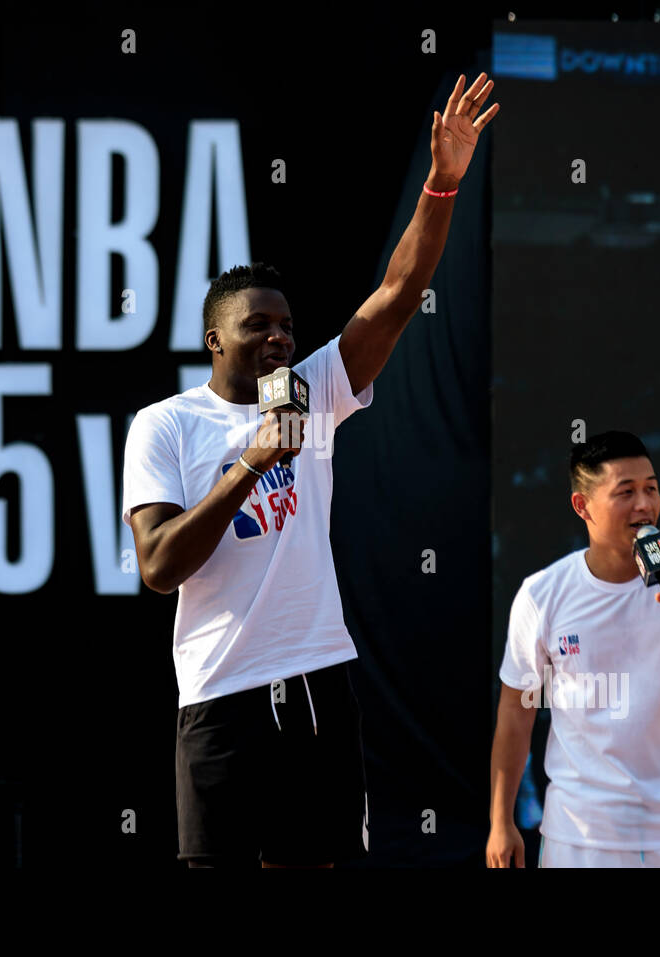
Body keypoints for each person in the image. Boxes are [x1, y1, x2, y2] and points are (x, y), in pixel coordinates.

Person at [121, 73, 500, 867]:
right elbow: (158, 567)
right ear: (214, 341)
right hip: (221, 691)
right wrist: (252, 461)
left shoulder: (310, 390)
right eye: (256, 325)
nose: (278, 339)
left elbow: (397, 295)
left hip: (319, 680)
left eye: (287, 326)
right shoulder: (167, 424)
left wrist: (442, 182)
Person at [487, 431, 660, 868]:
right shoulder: (543, 594)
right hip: (581, 840)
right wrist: (501, 821)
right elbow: (516, 711)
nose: (644, 505)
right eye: (626, 492)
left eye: (651, 488)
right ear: (582, 506)